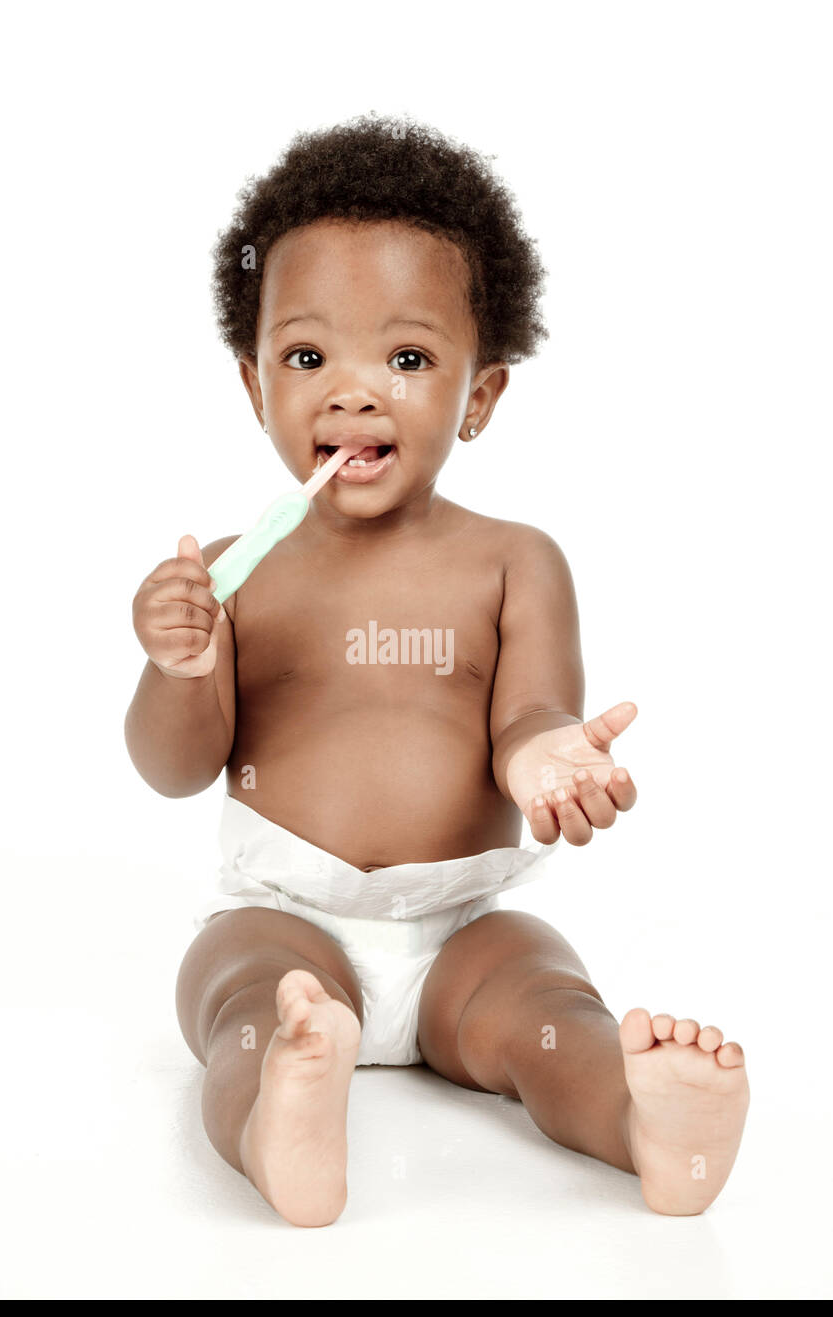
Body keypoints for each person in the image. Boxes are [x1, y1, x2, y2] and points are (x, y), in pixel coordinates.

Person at [125, 113, 748, 1228]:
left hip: (463, 923)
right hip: (285, 913)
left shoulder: (513, 561)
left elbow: (529, 716)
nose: (352, 392)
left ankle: (635, 1117)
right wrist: (178, 665)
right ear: (251, 382)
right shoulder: (227, 572)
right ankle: (277, 1119)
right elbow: (175, 769)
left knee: (547, 1003)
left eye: (406, 359)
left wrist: (551, 756)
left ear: (479, 395)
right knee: (242, 1005)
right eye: (306, 357)